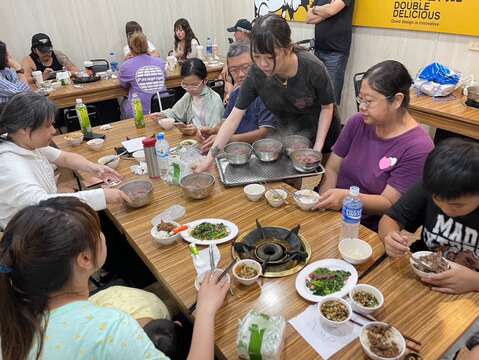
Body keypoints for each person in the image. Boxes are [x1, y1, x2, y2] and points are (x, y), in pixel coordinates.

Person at [0, 197, 229, 360]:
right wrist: (206, 309)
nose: (101, 235)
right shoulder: (110, 329)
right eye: (97, 230)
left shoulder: (14, 308)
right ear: (85, 259)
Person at [194, 14, 340, 172]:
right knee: (286, 179)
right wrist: (209, 160)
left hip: (322, 132)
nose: (263, 64)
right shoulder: (257, 73)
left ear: (288, 49)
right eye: (257, 57)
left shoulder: (312, 67)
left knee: (317, 182)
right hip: (288, 132)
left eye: (270, 57)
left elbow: (327, 107)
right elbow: (233, 119)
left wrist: (317, 149)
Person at [315, 60, 434, 231]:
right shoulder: (358, 122)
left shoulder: (418, 147)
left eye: (369, 101)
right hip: (334, 214)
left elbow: (389, 203)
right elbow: (333, 168)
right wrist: (324, 205)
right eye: (360, 99)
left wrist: (348, 198)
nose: (362, 107)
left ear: (397, 100)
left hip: (368, 229)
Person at [0, 93, 127, 230]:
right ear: (24, 129)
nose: (54, 131)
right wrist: (102, 196)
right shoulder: (10, 166)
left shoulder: (21, 141)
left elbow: (64, 157)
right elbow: (42, 205)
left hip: (49, 216)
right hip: (32, 235)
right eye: (48, 126)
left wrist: (94, 168)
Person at [379, 139, 479, 293]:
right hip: (422, 276)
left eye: (457, 205)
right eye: (437, 200)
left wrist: (474, 282)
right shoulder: (433, 186)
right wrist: (390, 237)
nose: (445, 209)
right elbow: (390, 219)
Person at [200, 40, 276, 153]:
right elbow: (227, 122)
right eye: (234, 70)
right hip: (238, 150)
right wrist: (212, 130)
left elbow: (263, 133)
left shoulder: (267, 92)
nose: (240, 75)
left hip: (263, 151)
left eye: (246, 67)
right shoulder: (236, 93)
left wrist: (229, 139)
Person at [155, 58, 224, 136]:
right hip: (192, 139)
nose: (190, 89)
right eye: (186, 85)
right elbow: (176, 112)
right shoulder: (189, 95)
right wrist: (163, 114)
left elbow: (213, 131)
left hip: (207, 142)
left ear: (205, 80)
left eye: (194, 85)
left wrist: (196, 130)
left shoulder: (214, 100)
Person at [307, 0, 354, 104]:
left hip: (336, 53)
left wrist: (317, 10)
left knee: (331, 98)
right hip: (318, 50)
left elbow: (331, 10)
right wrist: (327, 11)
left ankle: (332, 120)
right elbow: (309, 18)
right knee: (314, 94)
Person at [119, 32, 167, 119]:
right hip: (163, 106)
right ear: (147, 46)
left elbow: (123, 85)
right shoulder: (160, 62)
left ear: (131, 49)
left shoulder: (126, 66)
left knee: (123, 105)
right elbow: (164, 77)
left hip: (140, 112)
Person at [219, 19, 253, 103]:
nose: (234, 35)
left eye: (235, 32)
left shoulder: (253, 50)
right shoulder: (236, 49)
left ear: (242, 32)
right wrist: (227, 65)